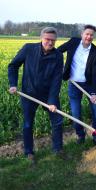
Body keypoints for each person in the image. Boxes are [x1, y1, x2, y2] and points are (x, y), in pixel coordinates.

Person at [8, 27, 64, 162]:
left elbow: (57, 80)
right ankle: (29, 152)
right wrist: (13, 84)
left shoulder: (58, 56)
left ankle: (58, 149)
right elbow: (13, 66)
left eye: (53, 40)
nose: (50, 43)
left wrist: (52, 101)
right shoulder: (28, 49)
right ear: (41, 38)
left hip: (48, 94)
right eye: (47, 39)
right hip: (29, 93)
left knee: (57, 121)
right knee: (28, 124)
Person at [58, 24, 96, 145]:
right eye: (87, 34)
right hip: (74, 84)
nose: (89, 37)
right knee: (76, 114)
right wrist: (60, 66)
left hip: (89, 85)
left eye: (91, 35)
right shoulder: (73, 42)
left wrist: (93, 93)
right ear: (82, 34)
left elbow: (95, 74)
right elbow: (58, 51)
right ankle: (80, 135)